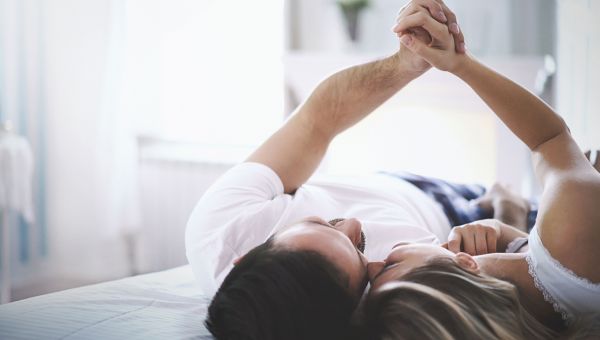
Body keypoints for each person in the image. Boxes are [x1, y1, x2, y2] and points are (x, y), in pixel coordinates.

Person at [183, 1, 486, 338]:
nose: (355, 222)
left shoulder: (219, 227)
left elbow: (317, 122)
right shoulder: (381, 312)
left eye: (320, 223)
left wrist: (406, 63)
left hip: (400, 183)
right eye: (360, 251)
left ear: (246, 256)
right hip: (457, 226)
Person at [364, 2, 600, 338]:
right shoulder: (569, 233)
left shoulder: (548, 310)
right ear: (466, 264)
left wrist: (503, 230)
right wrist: (459, 64)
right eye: (388, 267)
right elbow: (550, 138)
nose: (371, 263)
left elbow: (541, 265)